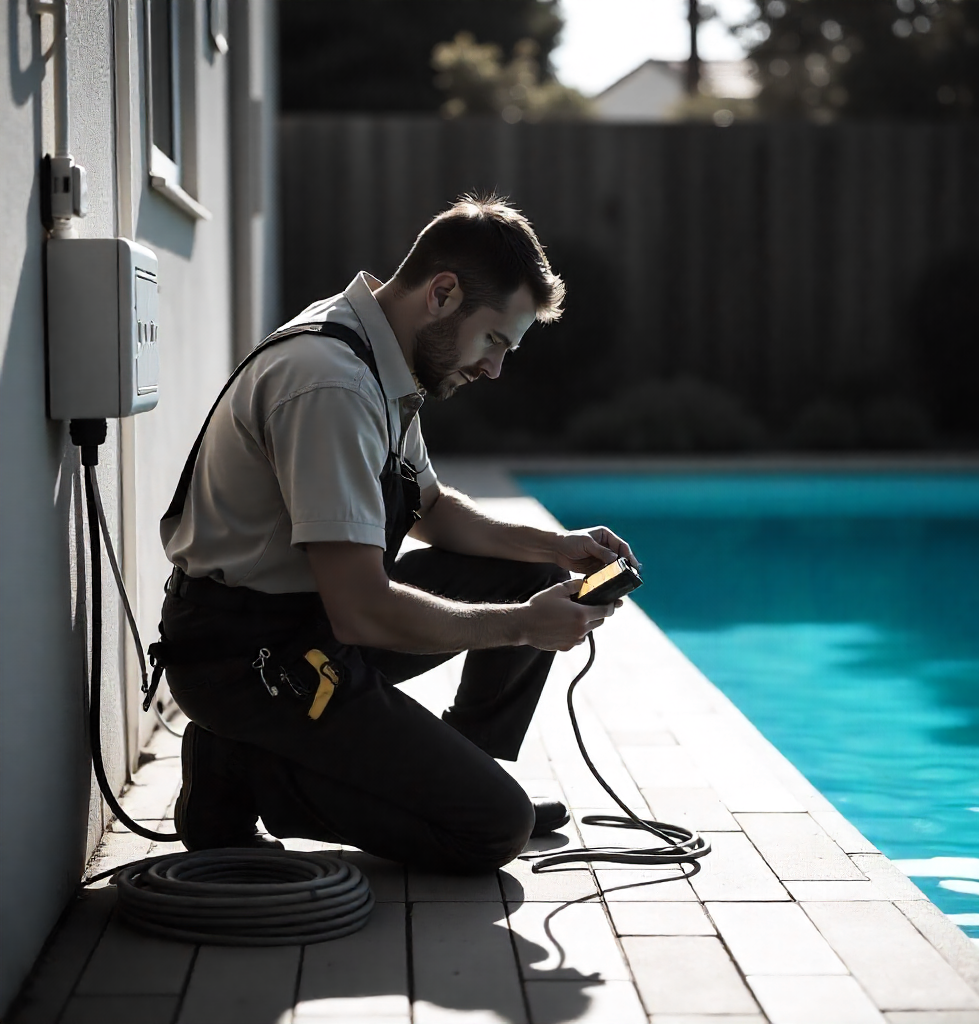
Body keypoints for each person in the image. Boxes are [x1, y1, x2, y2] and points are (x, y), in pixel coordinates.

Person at [153, 194, 636, 874]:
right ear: (443, 294)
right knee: (493, 830)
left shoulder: (380, 354)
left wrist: (554, 548)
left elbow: (433, 509)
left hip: (308, 626)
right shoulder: (332, 383)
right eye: (495, 341)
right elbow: (362, 609)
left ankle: (464, 767)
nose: (496, 368)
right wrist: (523, 626)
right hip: (249, 660)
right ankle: (239, 763)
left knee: (529, 571)